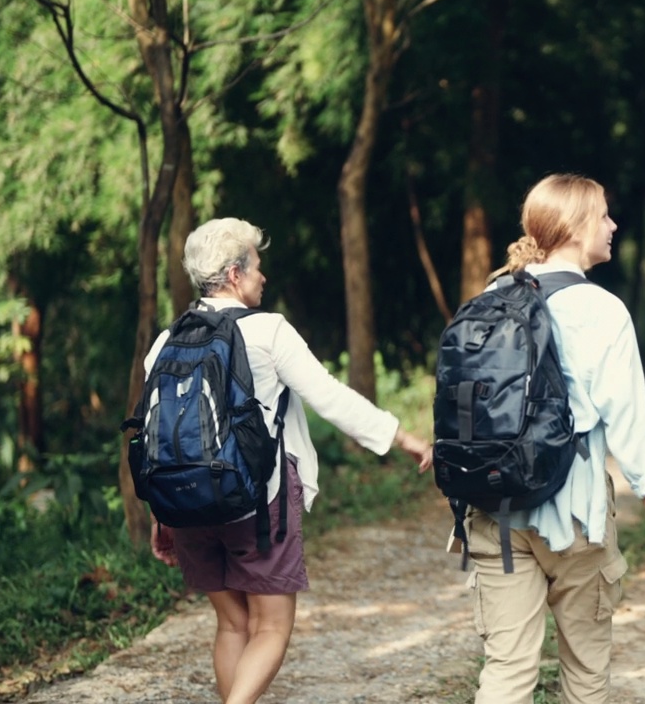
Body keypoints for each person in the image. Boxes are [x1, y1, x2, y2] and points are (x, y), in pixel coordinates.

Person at [145, 217, 432, 704]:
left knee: (232, 624)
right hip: (260, 502)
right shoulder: (268, 331)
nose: (263, 277)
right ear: (235, 274)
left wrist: (161, 514)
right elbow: (331, 397)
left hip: (185, 504)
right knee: (271, 628)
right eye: (257, 267)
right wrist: (403, 438)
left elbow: (158, 434)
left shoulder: (166, 340)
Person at [461, 173, 645, 704]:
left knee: (507, 672)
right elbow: (631, 434)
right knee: (585, 672)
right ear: (576, 226)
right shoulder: (603, 311)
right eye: (604, 215)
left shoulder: (490, 297)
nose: (612, 226)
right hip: (576, 515)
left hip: (495, 508)